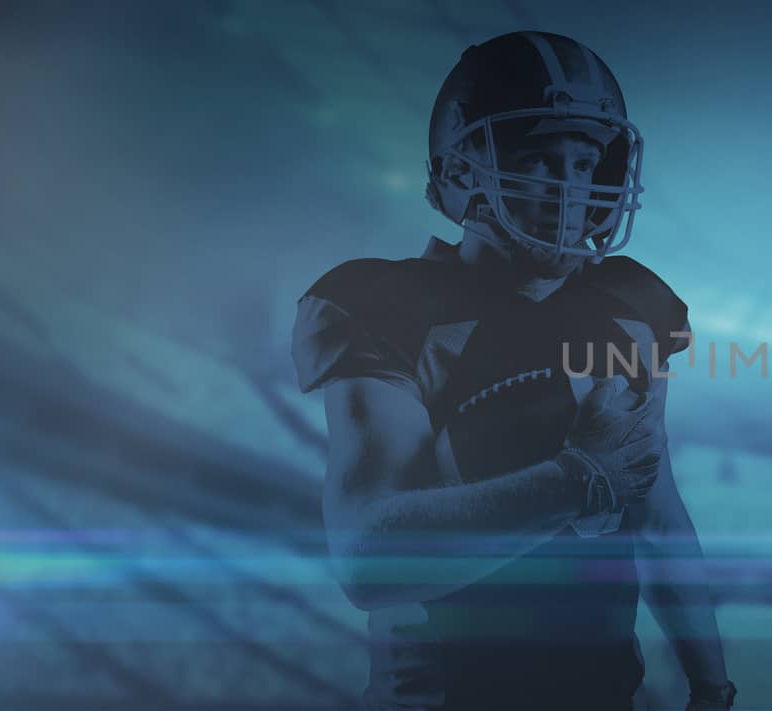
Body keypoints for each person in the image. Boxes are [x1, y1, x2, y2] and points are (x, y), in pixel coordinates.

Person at [290, 31, 736, 711]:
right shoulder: (383, 307)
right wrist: (573, 479)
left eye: (585, 163)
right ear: (462, 171)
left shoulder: (627, 304)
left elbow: (656, 514)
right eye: (537, 160)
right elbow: (368, 562)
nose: (569, 189)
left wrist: (712, 685)